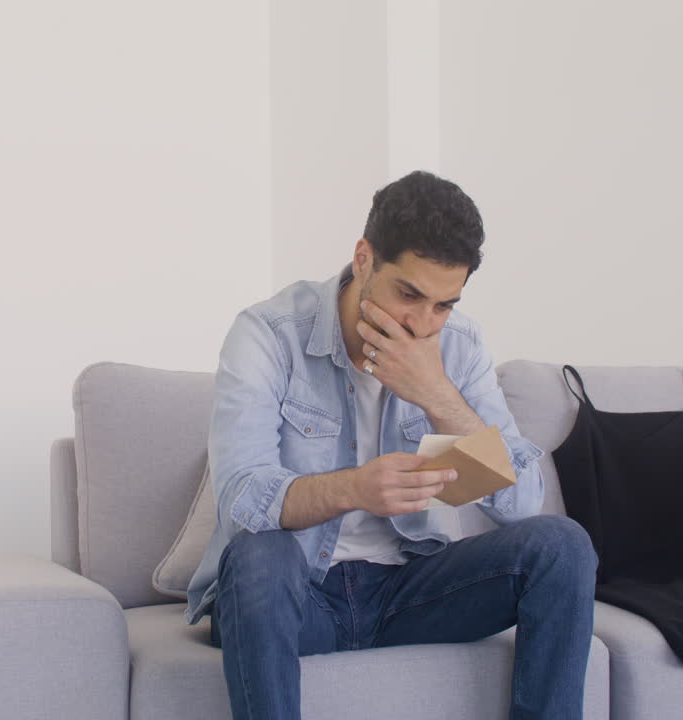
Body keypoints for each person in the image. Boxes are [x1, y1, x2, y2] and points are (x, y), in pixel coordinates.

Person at [185, 170, 597, 720]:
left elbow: (521, 506)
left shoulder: (458, 347)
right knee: (261, 553)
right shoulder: (269, 333)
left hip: (410, 591)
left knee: (562, 546)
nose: (423, 324)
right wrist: (354, 488)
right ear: (364, 260)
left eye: (442, 305)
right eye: (409, 294)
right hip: (298, 594)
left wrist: (438, 396)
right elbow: (241, 503)